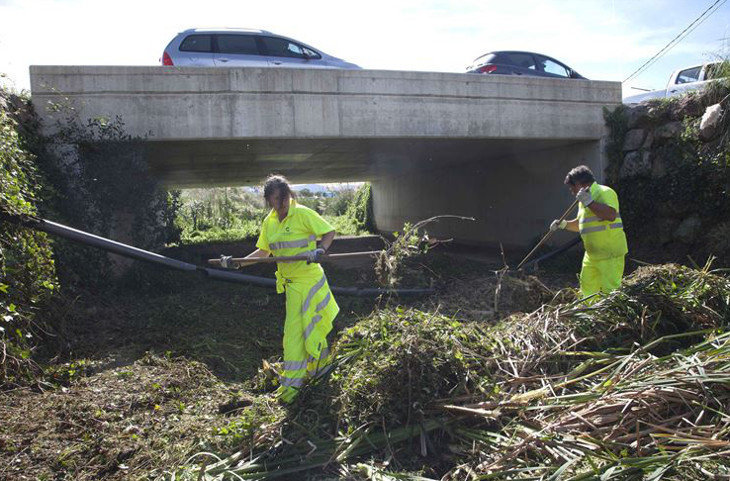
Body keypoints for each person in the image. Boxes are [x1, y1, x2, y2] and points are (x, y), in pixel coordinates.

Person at [234, 175, 339, 403]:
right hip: (291, 285)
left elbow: (329, 231)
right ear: (267, 199)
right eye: (273, 200)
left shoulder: (302, 213)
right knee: (306, 331)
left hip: (310, 282)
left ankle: (293, 388)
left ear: (287, 195)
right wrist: (238, 261)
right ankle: (319, 373)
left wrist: (320, 250)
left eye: (281, 199)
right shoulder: (269, 223)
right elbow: (263, 254)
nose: (278, 205)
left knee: (297, 334)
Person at [549, 165, 628, 300]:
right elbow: (582, 225)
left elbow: (610, 215)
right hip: (592, 256)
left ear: (580, 184)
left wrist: (589, 202)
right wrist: (563, 224)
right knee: (587, 291)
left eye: (572, 187)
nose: (571, 191)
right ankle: (590, 317)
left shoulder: (605, 192)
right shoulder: (583, 201)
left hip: (610, 255)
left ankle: (609, 319)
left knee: (610, 293)